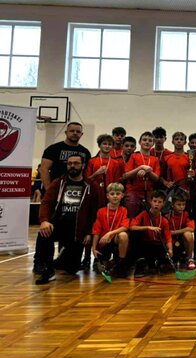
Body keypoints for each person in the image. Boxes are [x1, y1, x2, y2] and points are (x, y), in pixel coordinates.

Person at [34, 153, 102, 284]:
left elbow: (95, 211)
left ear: (83, 165)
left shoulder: (91, 185)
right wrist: (44, 220)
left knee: (72, 269)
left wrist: (89, 232)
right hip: (59, 224)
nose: (72, 166)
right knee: (44, 233)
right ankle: (46, 268)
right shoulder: (58, 183)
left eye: (76, 163)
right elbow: (46, 202)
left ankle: (62, 257)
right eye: (69, 163)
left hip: (78, 229)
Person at [91, 182, 129, 278]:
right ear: (107, 196)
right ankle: (107, 263)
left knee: (123, 235)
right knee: (101, 268)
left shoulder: (124, 210)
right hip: (103, 242)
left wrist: (109, 233)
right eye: (112, 194)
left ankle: (121, 264)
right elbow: (96, 230)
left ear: (122, 195)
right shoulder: (101, 211)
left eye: (118, 194)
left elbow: (125, 227)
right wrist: (94, 248)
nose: (115, 196)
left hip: (115, 240)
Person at [130, 190, 172, 277]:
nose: (156, 204)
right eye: (155, 201)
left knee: (165, 266)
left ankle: (157, 263)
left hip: (158, 245)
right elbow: (132, 227)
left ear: (163, 204)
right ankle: (141, 265)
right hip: (146, 245)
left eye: (159, 202)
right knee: (135, 235)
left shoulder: (164, 220)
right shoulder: (143, 214)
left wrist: (170, 250)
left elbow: (168, 237)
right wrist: (147, 227)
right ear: (150, 201)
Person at [39, 122, 92, 190]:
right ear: (66, 132)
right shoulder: (53, 149)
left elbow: (86, 172)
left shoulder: (85, 152)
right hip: (56, 188)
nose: (75, 133)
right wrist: (48, 189)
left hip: (77, 189)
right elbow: (44, 169)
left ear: (81, 134)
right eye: (72, 131)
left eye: (78, 131)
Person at [123, 132, 161, 218]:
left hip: (149, 192)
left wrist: (149, 172)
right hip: (133, 192)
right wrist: (140, 168)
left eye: (150, 140)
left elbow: (156, 178)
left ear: (153, 144)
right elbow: (126, 175)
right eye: (144, 140)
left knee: (149, 218)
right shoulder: (134, 156)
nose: (147, 142)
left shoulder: (155, 159)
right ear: (140, 142)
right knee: (132, 217)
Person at [85, 134, 125, 200]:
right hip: (94, 193)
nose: (107, 146)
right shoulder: (92, 161)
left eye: (109, 144)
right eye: (104, 144)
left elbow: (116, 182)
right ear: (99, 145)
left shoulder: (116, 163)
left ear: (112, 146)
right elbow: (87, 181)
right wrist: (96, 173)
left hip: (110, 195)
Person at [168, 193, 196, 270]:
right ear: (172, 205)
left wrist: (175, 232)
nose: (181, 207)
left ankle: (190, 259)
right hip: (170, 241)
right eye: (178, 204)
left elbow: (191, 229)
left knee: (188, 234)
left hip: (181, 240)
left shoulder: (187, 214)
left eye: (183, 204)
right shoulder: (167, 215)